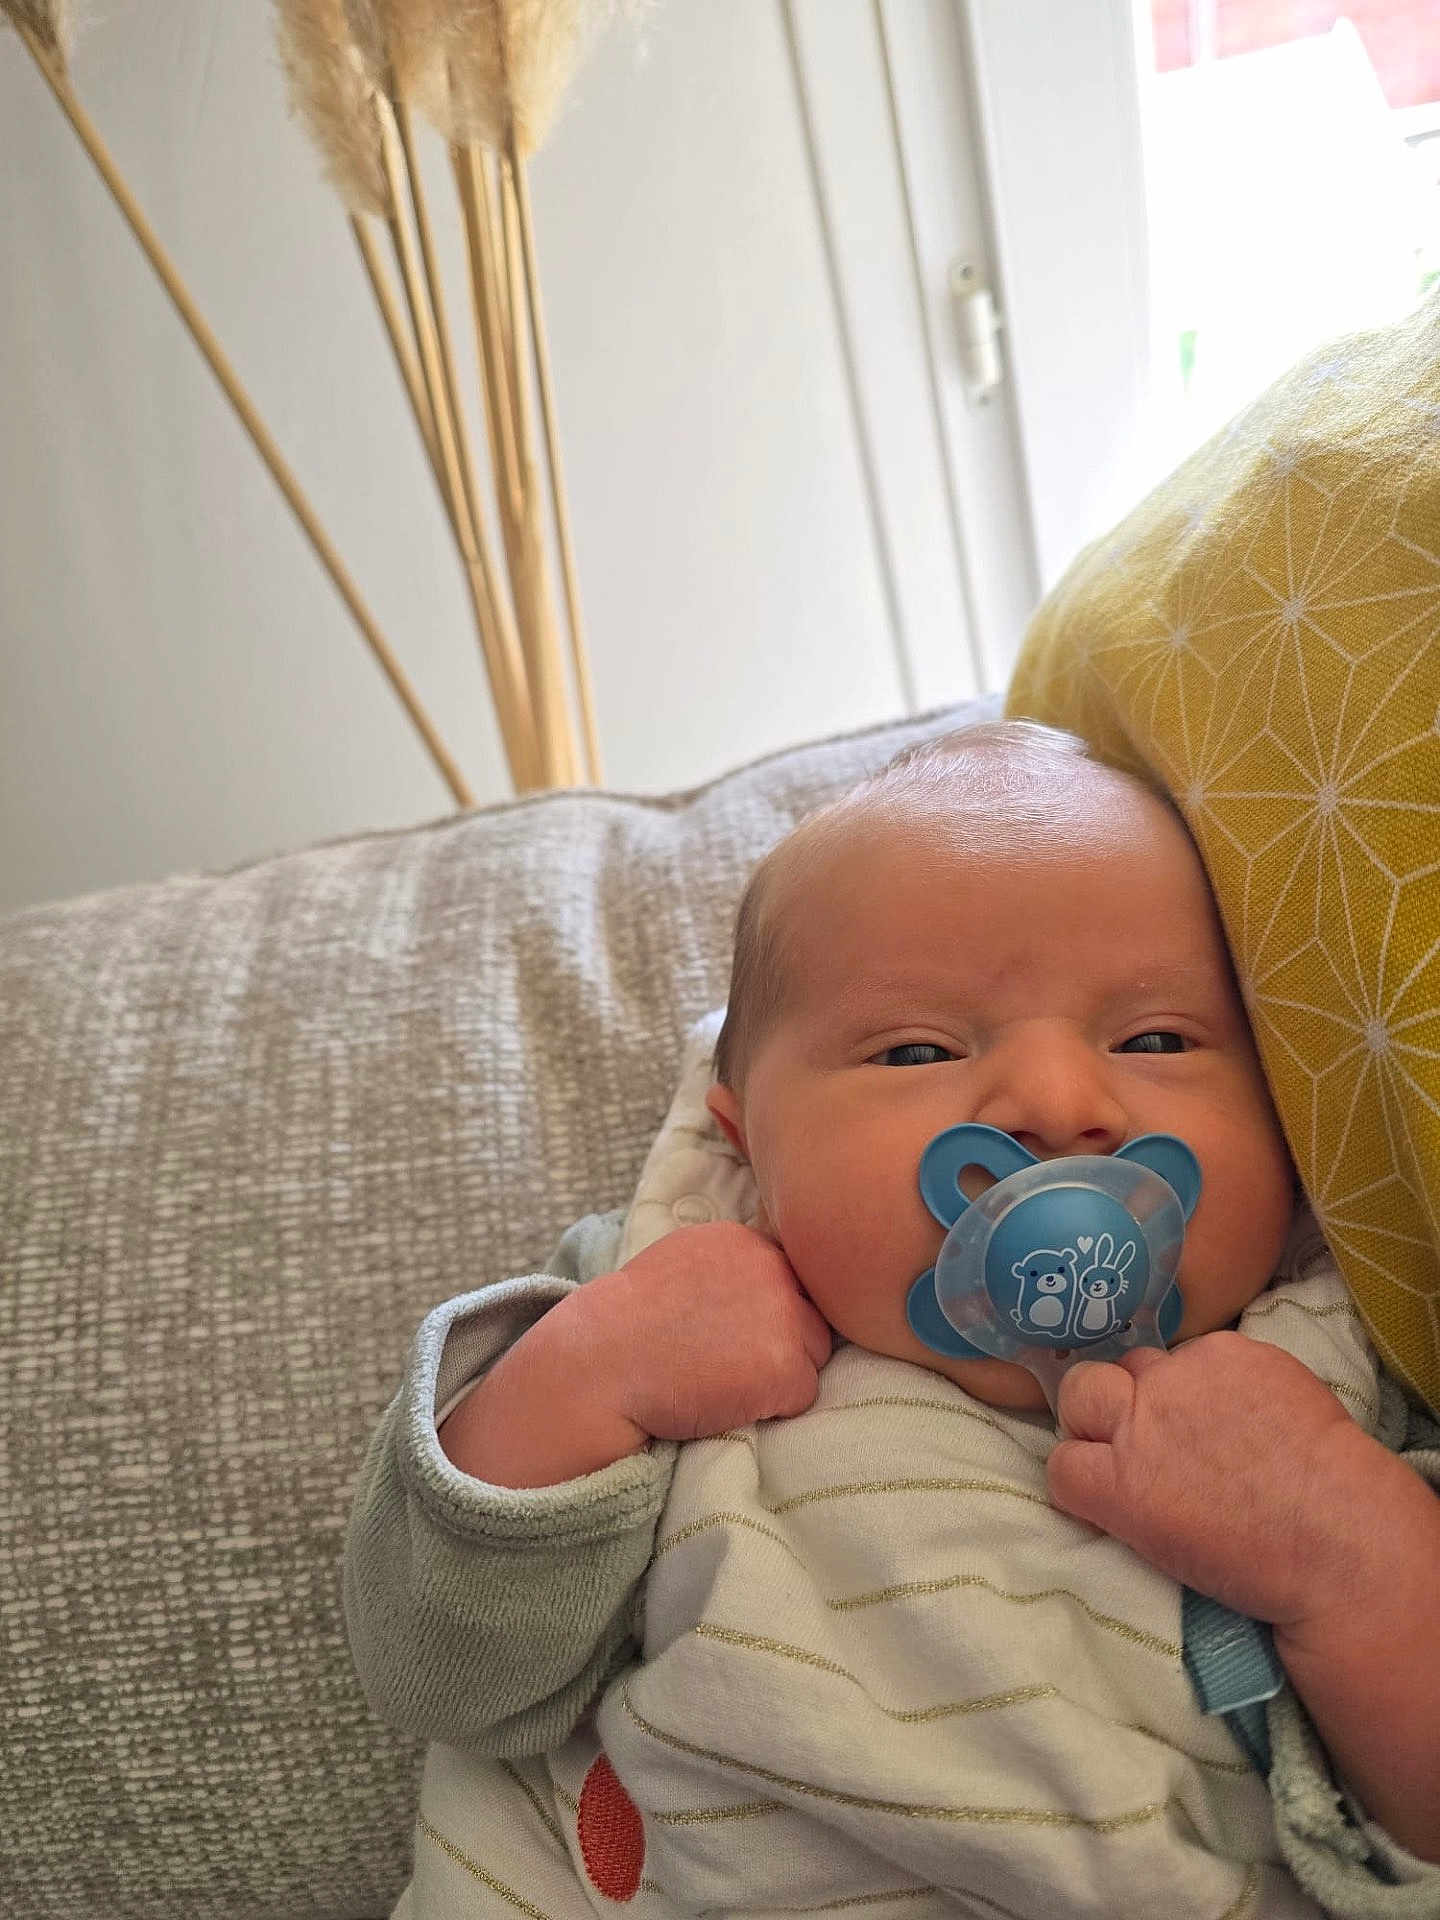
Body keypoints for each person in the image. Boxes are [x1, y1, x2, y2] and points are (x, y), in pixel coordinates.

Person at [345, 722, 1440, 1918]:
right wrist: (579, 1380)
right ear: (746, 1143)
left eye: (1157, 1039)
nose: (1056, 1104)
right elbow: (435, 1676)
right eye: (916, 1049)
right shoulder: (662, 1316)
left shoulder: (1330, 1377)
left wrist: (1355, 1564)